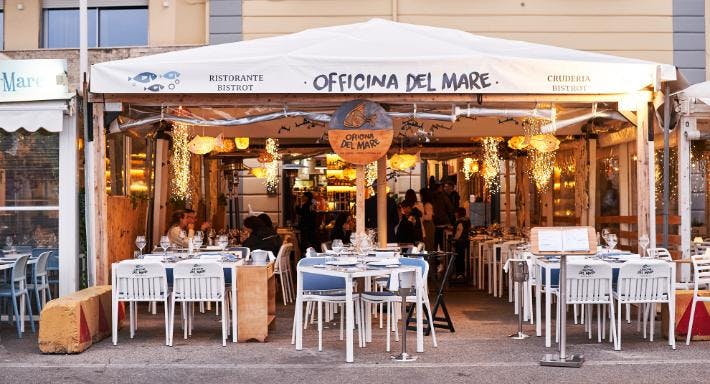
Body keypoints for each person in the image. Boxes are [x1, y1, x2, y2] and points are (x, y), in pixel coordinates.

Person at [431, 182, 453, 251]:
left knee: (434, 246)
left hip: (434, 225)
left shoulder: (431, 197)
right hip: (444, 224)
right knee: (444, 246)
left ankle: (435, 261)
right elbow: (450, 209)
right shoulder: (444, 197)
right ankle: (445, 260)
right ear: (439, 187)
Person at [453, 207, 471, 279]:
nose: (455, 214)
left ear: (458, 213)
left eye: (456, 212)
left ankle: (459, 273)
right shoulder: (467, 221)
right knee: (462, 257)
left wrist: (454, 239)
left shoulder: (460, 222)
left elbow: (459, 232)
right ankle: (461, 273)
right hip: (465, 241)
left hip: (459, 242)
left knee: (458, 258)